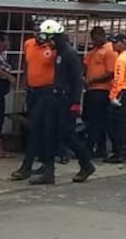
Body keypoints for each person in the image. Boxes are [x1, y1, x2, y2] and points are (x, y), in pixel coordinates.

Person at [26, 20, 96, 185]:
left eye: (49, 39)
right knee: (49, 134)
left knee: (67, 135)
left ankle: (86, 163)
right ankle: (48, 172)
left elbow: (78, 80)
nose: (47, 43)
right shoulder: (59, 53)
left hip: (66, 101)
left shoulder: (69, 54)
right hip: (55, 98)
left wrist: (76, 103)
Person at [10, 29, 57, 180]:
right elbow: (27, 64)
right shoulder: (29, 44)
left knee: (41, 128)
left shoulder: (53, 48)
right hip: (33, 91)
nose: (39, 38)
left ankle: (29, 166)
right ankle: (43, 164)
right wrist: (24, 82)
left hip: (48, 91)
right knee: (36, 128)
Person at [82, 26, 117, 159]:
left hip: (102, 89)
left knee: (96, 121)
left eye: (95, 38)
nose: (93, 41)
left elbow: (111, 73)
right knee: (95, 120)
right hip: (92, 89)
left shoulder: (109, 50)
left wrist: (92, 79)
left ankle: (90, 148)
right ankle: (100, 148)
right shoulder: (94, 51)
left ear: (101, 36)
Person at [106, 34, 126, 164]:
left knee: (116, 125)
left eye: (115, 43)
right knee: (122, 124)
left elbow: (118, 80)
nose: (113, 45)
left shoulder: (121, 59)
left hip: (122, 92)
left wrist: (112, 96)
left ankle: (119, 153)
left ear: (122, 43)